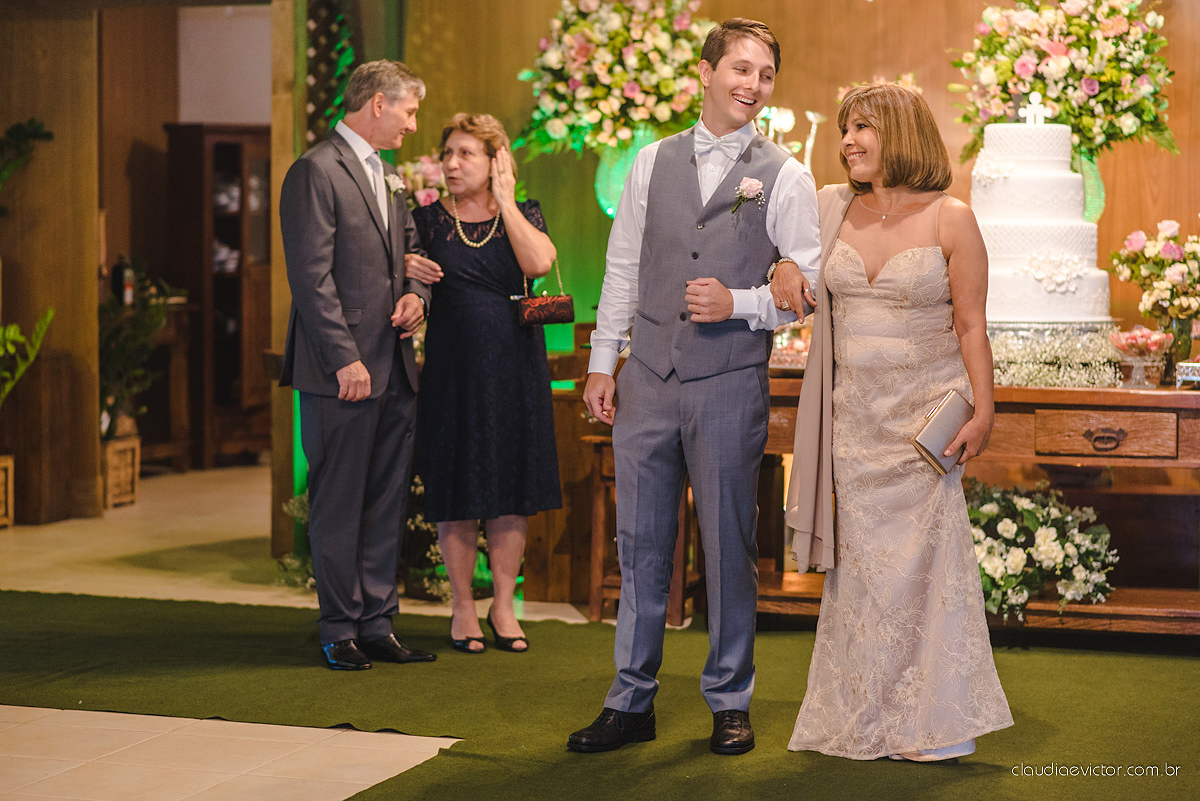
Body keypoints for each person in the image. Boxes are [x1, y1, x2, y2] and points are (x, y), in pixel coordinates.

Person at [567, 18, 821, 756]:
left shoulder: (787, 175)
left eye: (766, 75)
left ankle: (729, 699)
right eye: (741, 69)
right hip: (646, 375)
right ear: (706, 72)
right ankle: (630, 700)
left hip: (727, 380)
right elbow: (621, 267)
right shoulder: (650, 162)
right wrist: (601, 362)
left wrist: (740, 302)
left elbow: (805, 289)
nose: (753, 85)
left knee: (727, 543)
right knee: (640, 542)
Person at [769, 83, 1013, 761]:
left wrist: (985, 409)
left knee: (927, 570)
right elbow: (783, 255)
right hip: (854, 423)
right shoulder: (830, 207)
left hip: (923, 422)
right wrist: (784, 264)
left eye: (862, 127)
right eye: (845, 128)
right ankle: (865, 714)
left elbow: (971, 324)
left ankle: (930, 720)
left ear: (901, 133)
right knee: (866, 572)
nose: (848, 140)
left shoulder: (951, 218)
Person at [278, 60, 436, 671]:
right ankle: (338, 626)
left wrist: (415, 299)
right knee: (339, 500)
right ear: (377, 104)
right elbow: (310, 278)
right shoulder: (316, 171)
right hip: (340, 372)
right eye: (409, 111)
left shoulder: (389, 174)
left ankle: (377, 622)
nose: (412, 124)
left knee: (384, 499)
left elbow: (413, 253)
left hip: (393, 364)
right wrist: (344, 358)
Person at [403, 113, 562, 654]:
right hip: (453, 366)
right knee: (456, 489)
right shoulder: (425, 221)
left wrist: (508, 199)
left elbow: (539, 262)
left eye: (466, 153)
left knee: (509, 491)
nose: (451, 164)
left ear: (495, 160)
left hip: (514, 365)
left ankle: (502, 605)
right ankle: (462, 606)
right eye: (448, 153)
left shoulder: (523, 212)